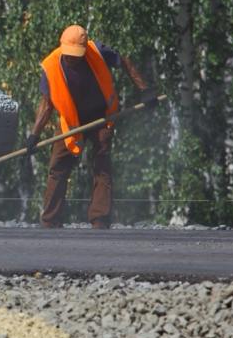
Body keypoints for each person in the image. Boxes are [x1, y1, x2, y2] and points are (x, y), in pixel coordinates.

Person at [25, 24, 153, 229]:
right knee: (57, 167)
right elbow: (46, 104)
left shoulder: (98, 51)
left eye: (77, 55)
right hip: (71, 121)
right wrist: (34, 135)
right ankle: (50, 221)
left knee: (102, 165)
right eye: (69, 54)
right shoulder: (51, 66)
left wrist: (144, 89)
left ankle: (100, 220)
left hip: (101, 116)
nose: (72, 59)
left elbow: (125, 62)